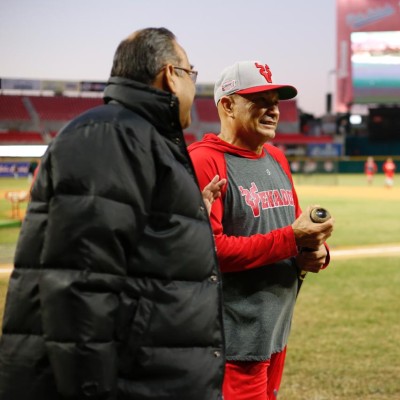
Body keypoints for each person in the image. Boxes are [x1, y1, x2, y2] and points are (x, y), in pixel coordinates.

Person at [0, 27, 226, 400]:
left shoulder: (139, 137)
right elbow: (81, 283)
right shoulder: (114, 136)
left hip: (143, 375)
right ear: (171, 75)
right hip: (126, 381)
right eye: (191, 73)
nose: (193, 87)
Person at [188, 60, 334, 400]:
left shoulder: (276, 158)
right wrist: (292, 240)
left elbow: (295, 231)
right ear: (227, 104)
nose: (272, 110)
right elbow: (208, 254)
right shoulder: (204, 160)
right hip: (232, 341)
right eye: (259, 100)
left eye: (275, 101)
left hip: (273, 332)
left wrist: (315, 252)